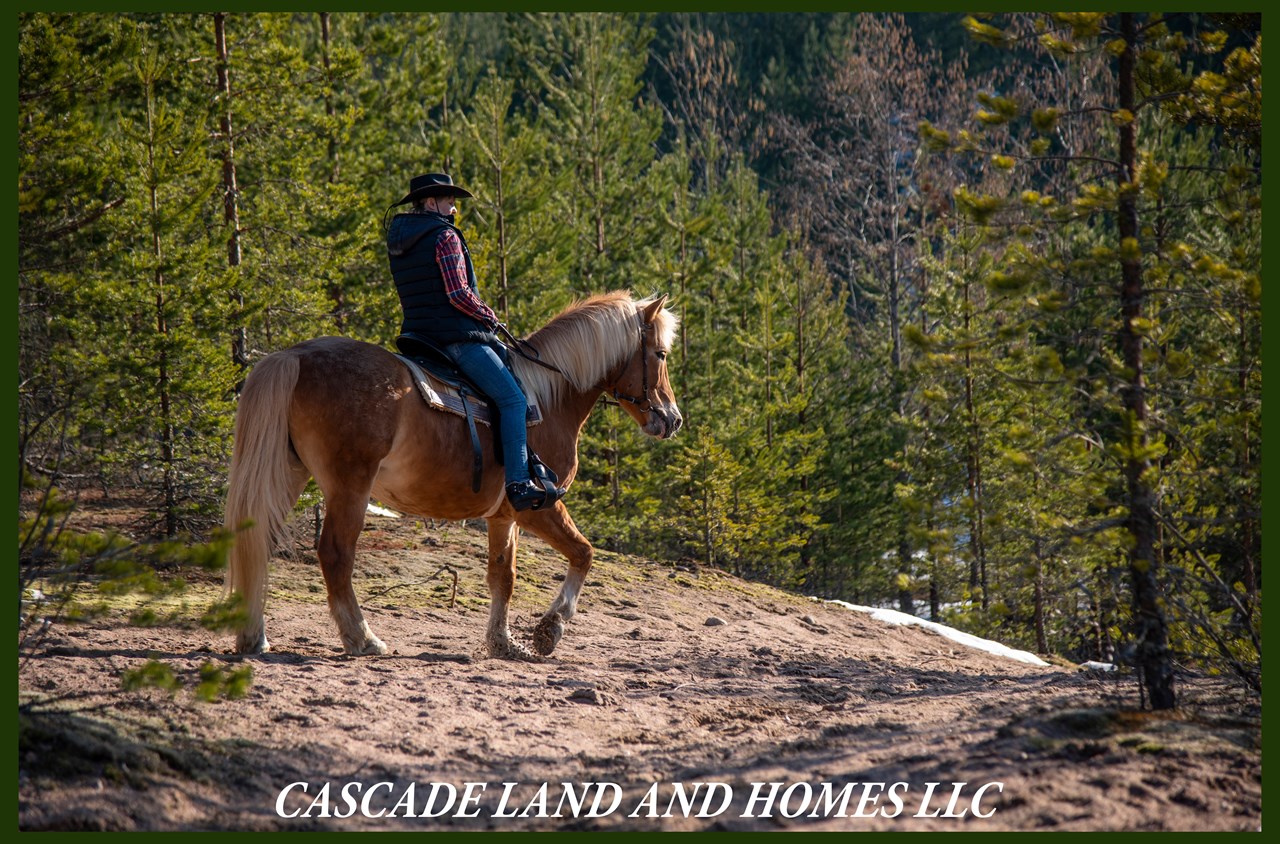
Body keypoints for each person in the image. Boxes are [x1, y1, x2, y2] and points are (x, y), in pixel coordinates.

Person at [385, 173, 563, 512]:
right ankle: (518, 483)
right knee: (511, 398)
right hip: (457, 339)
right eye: (449, 199)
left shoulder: (400, 238)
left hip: (419, 337)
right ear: (430, 201)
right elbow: (458, 293)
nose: (454, 207)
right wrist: (489, 316)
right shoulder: (444, 237)